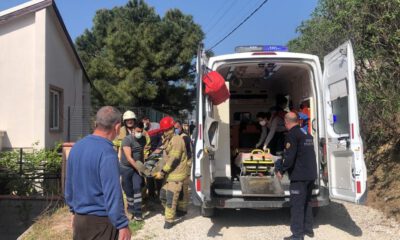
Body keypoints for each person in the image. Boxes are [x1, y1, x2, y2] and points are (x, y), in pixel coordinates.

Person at [65, 106, 131, 240]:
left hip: (79, 221)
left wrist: (73, 211)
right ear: (117, 127)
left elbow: (69, 185)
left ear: (95, 124)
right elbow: (112, 193)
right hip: (101, 224)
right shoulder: (107, 153)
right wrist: (122, 224)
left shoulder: (77, 147)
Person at [276, 112, 317, 240]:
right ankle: (308, 230)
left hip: (299, 176)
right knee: (307, 202)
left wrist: (281, 170)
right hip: (310, 175)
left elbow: (290, 157)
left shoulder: (292, 135)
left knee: (297, 206)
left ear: (286, 122)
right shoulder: (306, 133)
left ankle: (297, 235)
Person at [153, 116, 188, 229]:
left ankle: (169, 220)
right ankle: (174, 210)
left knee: (170, 197)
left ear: (171, 129)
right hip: (169, 174)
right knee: (162, 195)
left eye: (166, 130)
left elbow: (174, 159)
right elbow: (165, 156)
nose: (164, 132)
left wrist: (162, 172)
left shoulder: (177, 140)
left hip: (176, 174)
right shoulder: (168, 139)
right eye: (163, 130)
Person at [120, 121, 147, 221]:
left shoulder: (143, 139)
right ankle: (131, 210)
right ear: (132, 130)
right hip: (126, 168)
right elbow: (129, 158)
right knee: (129, 191)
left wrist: (143, 166)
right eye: (137, 131)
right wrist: (140, 169)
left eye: (141, 131)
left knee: (137, 189)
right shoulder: (127, 140)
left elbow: (141, 154)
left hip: (137, 168)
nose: (139, 133)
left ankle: (138, 213)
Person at [174, 120, 193, 216]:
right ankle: (179, 206)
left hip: (185, 164)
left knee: (184, 187)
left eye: (177, 128)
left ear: (181, 127)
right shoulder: (177, 137)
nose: (175, 130)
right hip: (180, 164)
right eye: (174, 128)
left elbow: (187, 153)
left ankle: (183, 209)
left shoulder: (184, 137)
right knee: (178, 187)